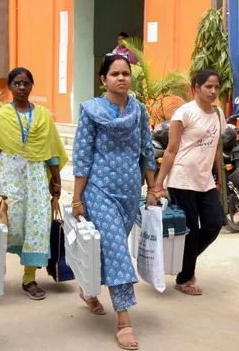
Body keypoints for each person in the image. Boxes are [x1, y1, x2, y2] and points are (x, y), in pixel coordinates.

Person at [71, 53, 156, 350]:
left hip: (130, 191)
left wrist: (154, 187)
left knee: (107, 245)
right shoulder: (92, 110)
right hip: (99, 189)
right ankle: (124, 320)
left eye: (126, 73)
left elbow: (147, 150)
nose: (121, 78)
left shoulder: (139, 111)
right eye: (114, 74)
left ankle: (88, 289)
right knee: (118, 250)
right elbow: (82, 154)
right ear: (103, 80)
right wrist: (77, 197)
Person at [0, 67, 68, 300]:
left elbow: (51, 151)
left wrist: (56, 184)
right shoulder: (0, 117)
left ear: (32, 86)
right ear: (9, 87)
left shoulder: (42, 116)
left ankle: (29, 278)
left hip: (36, 177)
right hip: (9, 176)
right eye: (17, 83)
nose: (21, 88)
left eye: (26, 83)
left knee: (37, 223)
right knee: (6, 223)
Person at [152, 69, 226, 296]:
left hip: (205, 181)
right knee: (191, 230)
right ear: (196, 88)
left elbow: (217, 148)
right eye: (208, 87)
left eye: (216, 87)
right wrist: (158, 185)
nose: (213, 91)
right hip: (182, 179)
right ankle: (185, 278)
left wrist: (220, 178)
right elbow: (172, 150)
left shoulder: (218, 114)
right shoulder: (184, 113)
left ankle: (184, 262)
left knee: (214, 224)